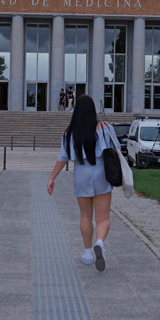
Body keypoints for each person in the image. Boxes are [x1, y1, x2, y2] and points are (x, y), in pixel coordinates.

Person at [47, 94, 115, 272]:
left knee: (85, 216)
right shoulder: (105, 127)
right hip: (101, 172)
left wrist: (52, 178)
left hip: (81, 173)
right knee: (103, 218)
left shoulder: (69, 133)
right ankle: (99, 243)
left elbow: (63, 158)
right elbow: (115, 149)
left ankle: (87, 253)